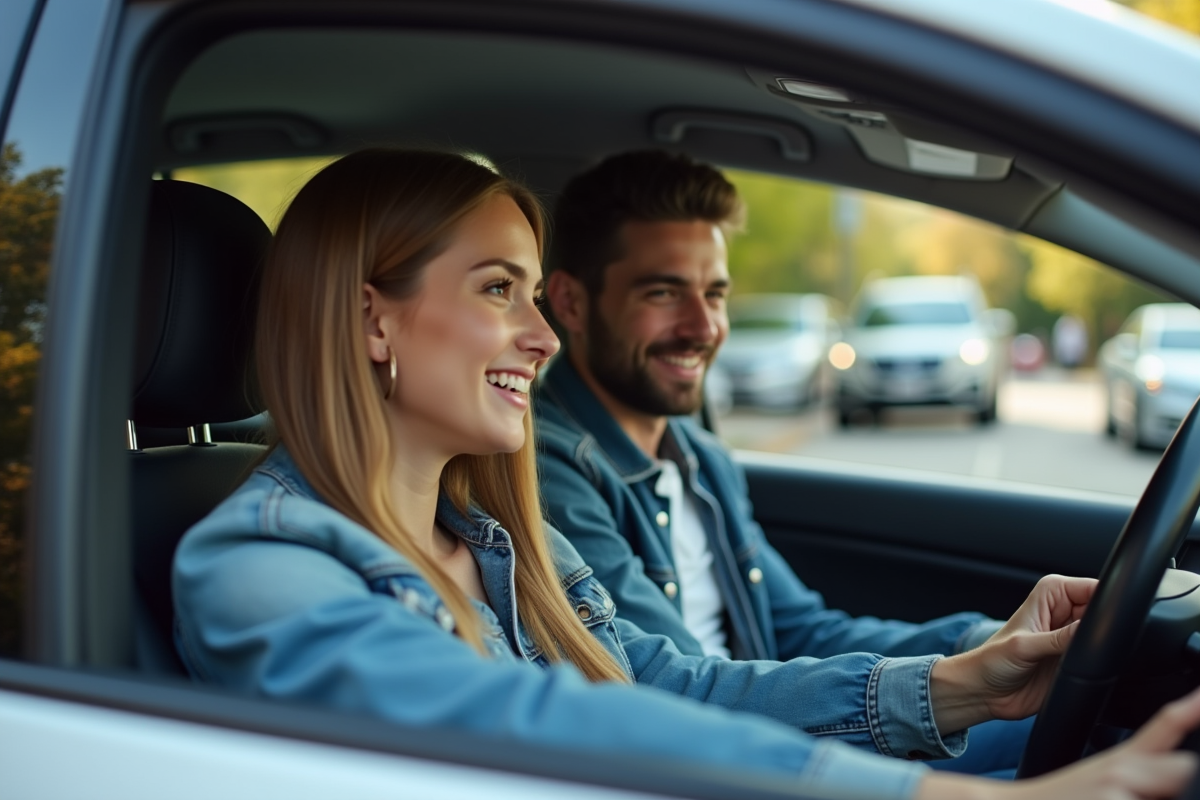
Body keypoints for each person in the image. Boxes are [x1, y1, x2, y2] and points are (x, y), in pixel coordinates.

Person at [173, 148, 1200, 800]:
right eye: (500, 290)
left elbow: (679, 684)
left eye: (534, 294)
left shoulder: (504, 540)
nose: (539, 336)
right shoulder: (255, 565)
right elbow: (515, 723)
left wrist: (962, 680)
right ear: (370, 319)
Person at [533, 151, 1004, 775]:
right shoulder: (549, 470)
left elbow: (802, 630)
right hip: (722, 762)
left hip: (788, 732)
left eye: (716, 294)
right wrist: (946, 686)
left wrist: (986, 644)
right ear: (570, 302)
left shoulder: (697, 454)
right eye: (664, 292)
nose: (703, 327)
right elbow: (670, 690)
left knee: (1078, 716)